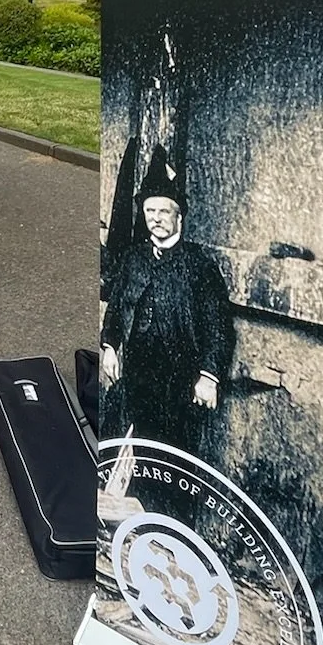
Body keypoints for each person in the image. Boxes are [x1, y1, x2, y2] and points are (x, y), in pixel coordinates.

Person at [100, 146, 235, 461]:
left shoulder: (199, 265)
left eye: (163, 212)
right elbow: (117, 306)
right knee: (137, 456)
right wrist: (109, 346)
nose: (155, 219)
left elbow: (218, 326)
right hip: (137, 376)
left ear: (179, 216)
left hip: (180, 380)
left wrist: (209, 376)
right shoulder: (134, 259)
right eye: (150, 212)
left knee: (177, 457)